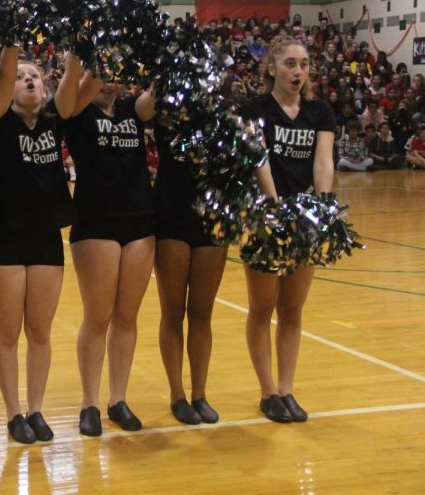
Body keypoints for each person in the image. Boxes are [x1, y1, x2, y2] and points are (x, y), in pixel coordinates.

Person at [0, 48, 81, 444]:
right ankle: (13, 413)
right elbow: (2, 79)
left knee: (39, 332)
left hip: (45, 238)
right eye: (21, 76)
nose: (27, 80)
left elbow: (72, 80)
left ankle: (36, 409)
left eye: (35, 76)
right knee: (8, 333)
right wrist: (9, 50)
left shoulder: (55, 122)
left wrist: (76, 48)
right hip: (5, 236)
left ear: (45, 89)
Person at [238, 36, 336, 423]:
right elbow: (258, 159)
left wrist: (322, 208)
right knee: (262, 307)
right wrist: (274, 205)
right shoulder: (254, 110)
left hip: (303, 217)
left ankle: (287, 389)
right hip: (265, 214)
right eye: (291, 64)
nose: (299, 71)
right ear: (272, 68)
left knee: (292, 309)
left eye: (305, 64)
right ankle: (267, 392)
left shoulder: (320, 112)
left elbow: (323, 161)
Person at [66, 74, 157, 437]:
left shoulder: (132, 109)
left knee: (127, 315)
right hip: (95, 223)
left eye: (116, 76)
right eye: (103, 75)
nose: (109, 83)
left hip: (139, 221)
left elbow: (155, 96)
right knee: (98, 316)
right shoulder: (75, 109)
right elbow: (78, 90)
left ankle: (118, 399)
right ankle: (89, 402)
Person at [152, 88, 229, 425]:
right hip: (171, 212)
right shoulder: (165, 110)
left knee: (202, 313)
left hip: (213, 218)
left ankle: (200, 393)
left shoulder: (226, 119)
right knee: (173, 312)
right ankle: (177, 395)